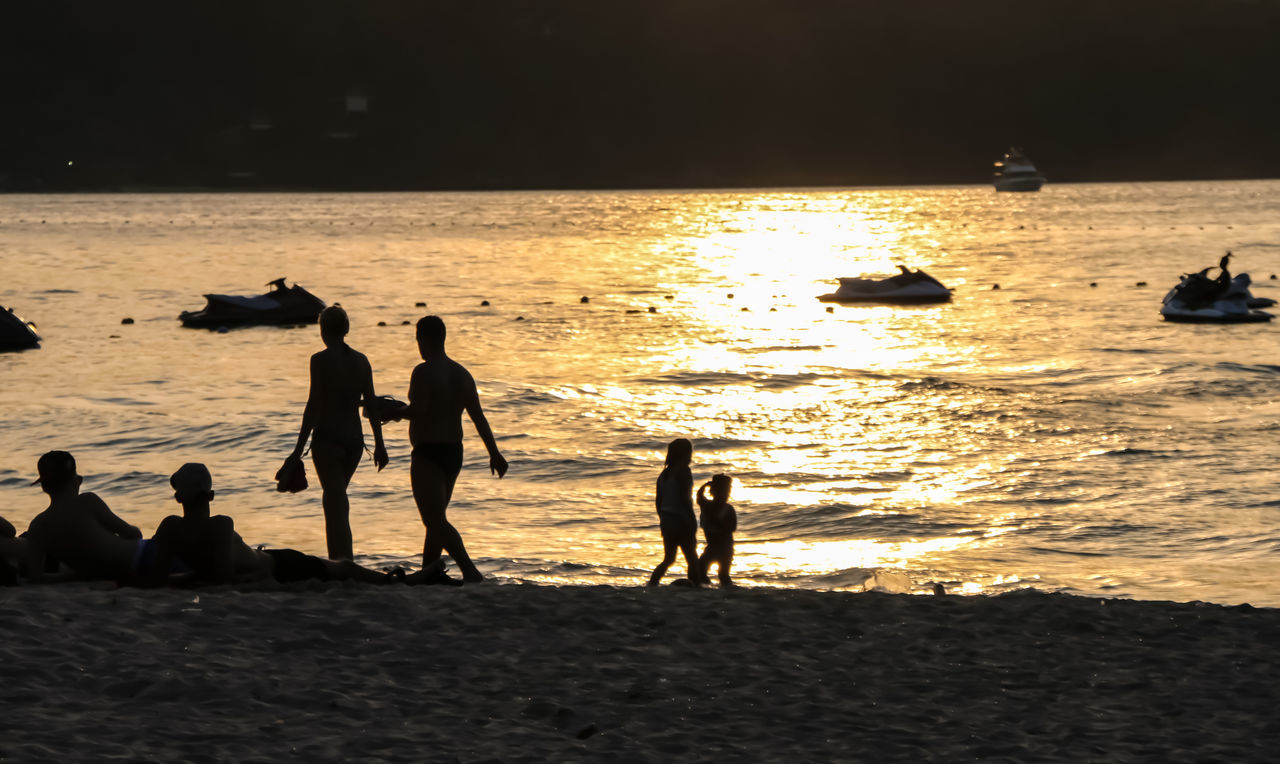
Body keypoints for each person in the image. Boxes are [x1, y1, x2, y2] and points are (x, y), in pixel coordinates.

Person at [381, 316, 508, 584]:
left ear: (423, 339)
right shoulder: (462, 374)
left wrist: (393, 413)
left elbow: (419, 410)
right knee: (436, 518)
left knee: (434, 520)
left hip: (428, 451)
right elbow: (478, 417)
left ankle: (470, 571)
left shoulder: (423, 371)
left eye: (418, 340)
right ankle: (430, 570)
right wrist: (494, 453)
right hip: (454, 452)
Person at [151, 462, 401, 586]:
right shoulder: (214, 525)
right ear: (212, 496)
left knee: (343, 569)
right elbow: (219, 580)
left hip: (280, 564)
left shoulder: (174, 527)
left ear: (177, 497)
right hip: (272, 564)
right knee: (342, 568)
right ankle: (401, 581)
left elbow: (217, 579)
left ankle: (402, 582)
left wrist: (182, 579)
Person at [287, 304, 389, 561]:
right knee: (337, 502)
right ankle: (342, 560)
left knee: (335, 505)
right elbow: (373, 406)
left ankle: (342, 563)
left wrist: (297, 451)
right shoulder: (361, 361)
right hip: (354, 443)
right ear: (346, 329)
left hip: (328, 441)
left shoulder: (319, 361)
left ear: (322, 330)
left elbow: (313, 406)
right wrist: (380, 445)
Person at [22, 450, 151, 583]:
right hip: (143, 557)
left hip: (106, 574)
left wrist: (75, 576)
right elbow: (134, 535)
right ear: (74, 481)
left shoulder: (36, 527)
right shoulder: (87, 501)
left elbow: (36, 577)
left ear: (43, 486)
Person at [647, 438, 701, 587]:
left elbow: (658, 501)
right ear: (685, 454)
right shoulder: (684, 471)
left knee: (669, 559)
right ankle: (696, 586)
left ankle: (652, 583)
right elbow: (685, 498)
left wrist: (662, 519)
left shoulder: (663, 475)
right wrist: (690, 520)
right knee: (692, 557)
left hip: (667, 520)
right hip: (681, 519)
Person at [696, 474, 737, 587]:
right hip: (714, 546)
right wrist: (706, 485)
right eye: (724, 491)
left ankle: (725, 591)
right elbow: (699, 496)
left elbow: (732, 528)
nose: (726, 495)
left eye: (727, 491)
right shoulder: (707, 505)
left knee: (722, 574)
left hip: (724, 546)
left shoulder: (727, 509)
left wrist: (717, 523)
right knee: (701, 570)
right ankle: (708, 588)